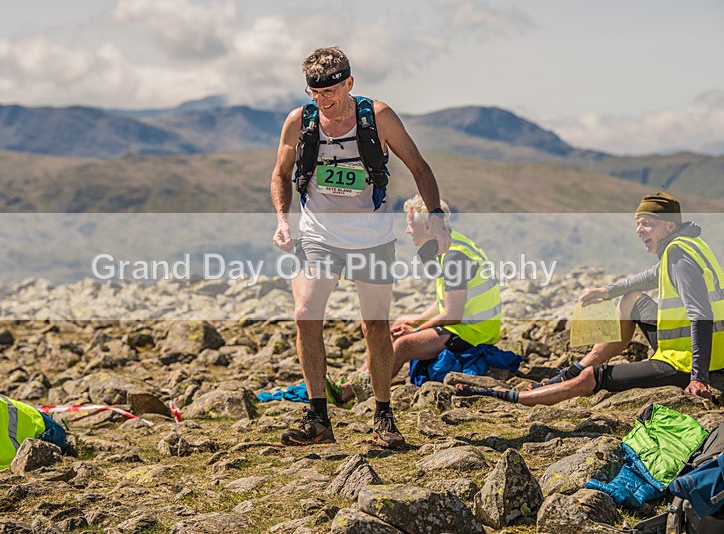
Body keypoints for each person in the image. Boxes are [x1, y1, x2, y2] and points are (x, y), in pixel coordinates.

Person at [271, 47, 451, 448]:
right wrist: (283, 220)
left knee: (376, 326)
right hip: (318, 236)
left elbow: (419, 167)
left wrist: (436, 216)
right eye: (316, 93)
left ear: (349, 83)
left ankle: (383, 415)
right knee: (305, 314)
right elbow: (280, 175)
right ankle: (318, 417)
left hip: (372, 238)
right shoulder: (299, 121)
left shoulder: (378, 116)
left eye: (331, 92)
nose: (324, 101)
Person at [456, 192, 724, 406]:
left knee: (590, 379)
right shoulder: (686, 245)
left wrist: (698, 378)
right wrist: (606, 291)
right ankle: (576, 369)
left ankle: (515, 397)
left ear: (670, 225)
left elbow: (701, 315)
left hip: (687, 362)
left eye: (647, 223)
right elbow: (650, 277)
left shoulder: (678, 256)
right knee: (630, 299)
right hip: (692, 349)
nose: (639, 229)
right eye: (637, 223)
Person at [336, 194, 502, 402]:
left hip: (475, 332)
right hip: (467, 324)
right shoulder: (449, 245)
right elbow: (444, 302)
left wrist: (415, 331)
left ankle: (352, 393)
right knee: (399, 323)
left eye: (410, 224)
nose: (407, 230)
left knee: (403, 345)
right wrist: (414, 321)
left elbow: (452, 314)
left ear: (428, 226)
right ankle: (357, 378)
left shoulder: (455, 256)